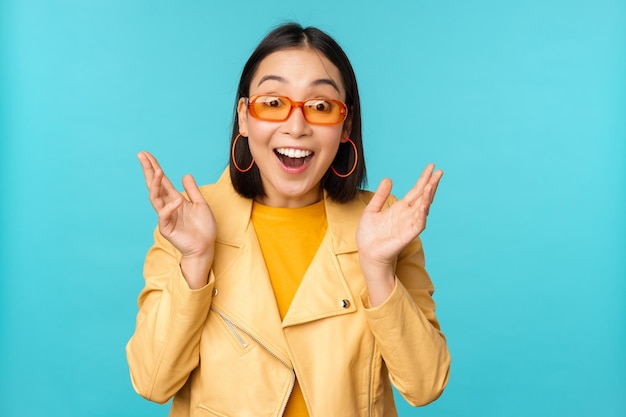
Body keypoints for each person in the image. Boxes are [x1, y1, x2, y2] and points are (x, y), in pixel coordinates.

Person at [126, 22, 450, 417]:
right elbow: (152, 381)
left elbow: (425, 385)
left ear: (346, 126)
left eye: (320, 107)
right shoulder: (190, 221)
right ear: (244, 117)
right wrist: (195, 262)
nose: (296, 127)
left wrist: (379, 270)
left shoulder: (384, 225)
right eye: (273, 103)